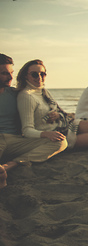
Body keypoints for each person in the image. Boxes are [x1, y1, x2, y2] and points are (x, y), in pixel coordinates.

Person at [0, 54, 66, 188]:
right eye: (4, 73)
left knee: (60, 142)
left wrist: (55, 116)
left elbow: (36, 107)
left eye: (11, 73)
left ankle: (11, 165)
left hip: (17, 140)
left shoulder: (16, 93)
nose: (10, 77)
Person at [16, 60, 88, 150]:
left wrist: (57, 115)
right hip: (53, 134)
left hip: (62, 125)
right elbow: (26, 131)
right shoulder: (26, 96)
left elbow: (58, 110)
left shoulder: (44, 91)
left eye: (42, 74)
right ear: (26, 76)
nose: (39, 77)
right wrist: (47, 134)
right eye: (34, 74)